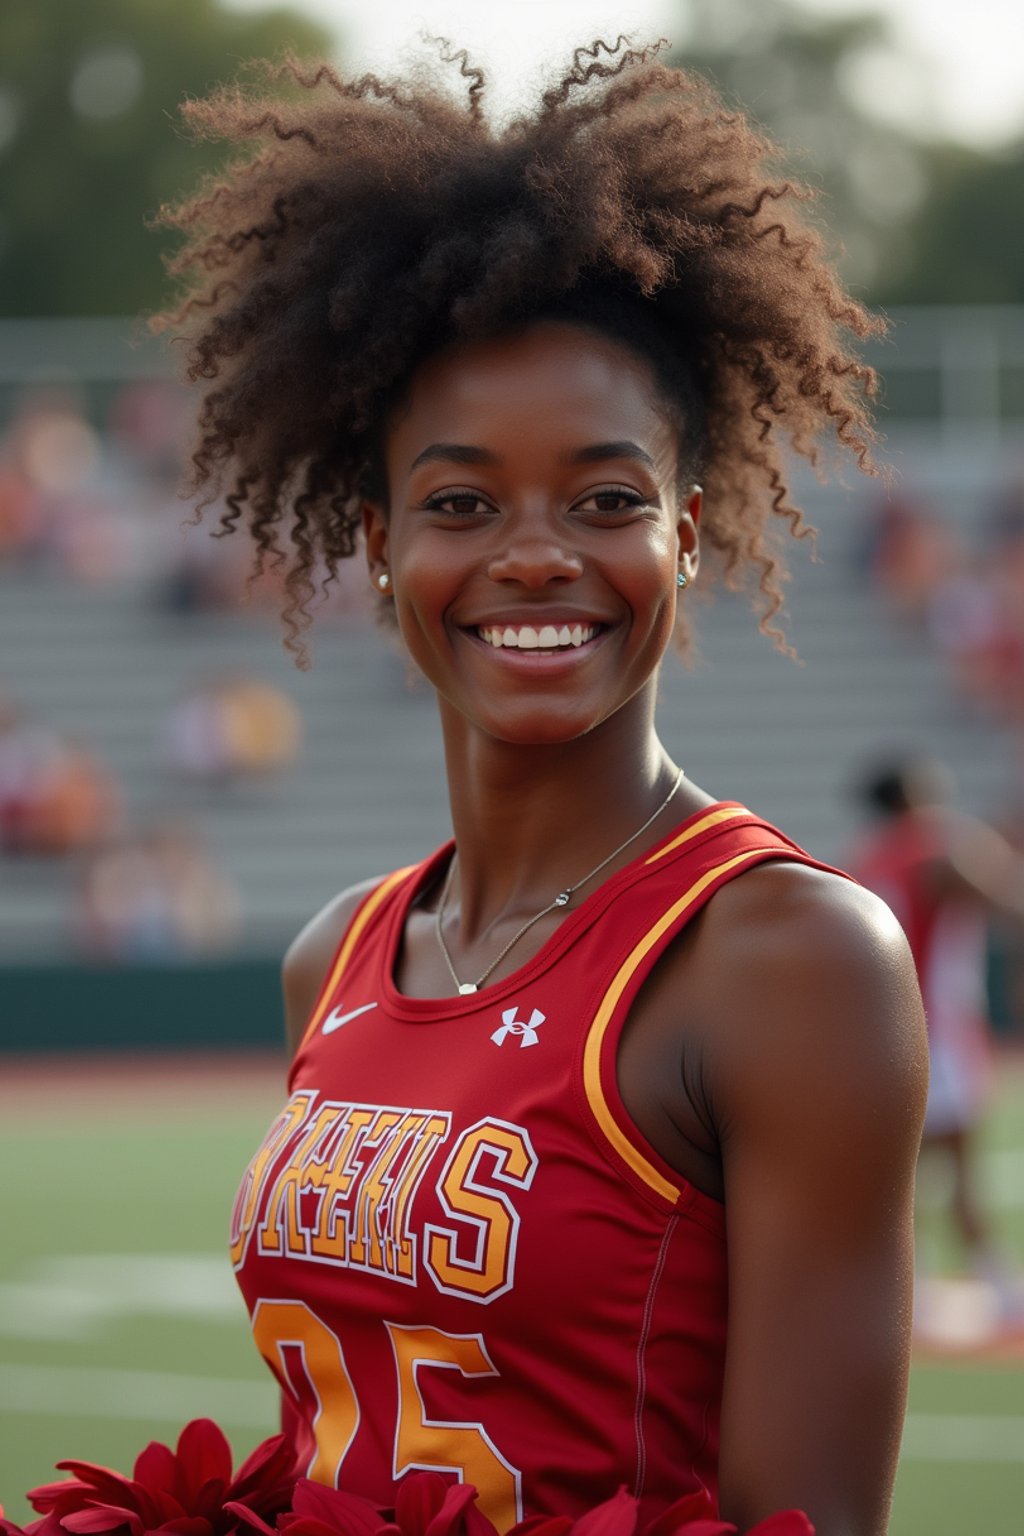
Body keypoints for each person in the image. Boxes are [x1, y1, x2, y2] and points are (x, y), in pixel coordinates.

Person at [157, 41, 928, 1536]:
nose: (533, 554)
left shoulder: (789, 958)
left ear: (687, 534)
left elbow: (807, 1520)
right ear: (377, 541)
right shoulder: (338, 953)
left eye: (606, 499)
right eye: (460, 502)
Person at [852, 758, 1024, 1330]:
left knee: (901, 1172)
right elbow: (1005, 903)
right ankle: (994, 1288)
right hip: (940, 1030)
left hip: (882, 1029)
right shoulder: (939, 846)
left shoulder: (867, 859)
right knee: (956, 1166)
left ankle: (912, 1285)